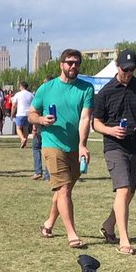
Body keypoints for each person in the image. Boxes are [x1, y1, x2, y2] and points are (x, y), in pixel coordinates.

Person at [92, 48, 136, 255]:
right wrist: (110, 130)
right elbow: (96, 123)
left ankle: (109, 225)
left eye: (132, 69)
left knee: (129, 192)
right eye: (125, 69)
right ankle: (125, 240)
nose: (128, 73)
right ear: (117, 67)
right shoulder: (106, 92)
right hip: (114, 146)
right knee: (123, 188)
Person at [29, 48, 93, 248]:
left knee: (63, 190)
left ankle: (48, 224)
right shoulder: (46, 89)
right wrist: (41, 120)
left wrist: (82, 145)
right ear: (61, 65)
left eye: (76, 63)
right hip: (52, 144)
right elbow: (32, 113)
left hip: (74, 147)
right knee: (64, 189)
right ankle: (72, 234)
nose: (73, 66)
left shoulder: (86, 89)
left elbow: (85, 118)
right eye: (69, 62)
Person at [11, 80, 34, 149]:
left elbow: (14, 105)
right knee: (26, 128)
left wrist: (12, 114)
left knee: (18, 128)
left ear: (22, 86)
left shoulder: (18, 94)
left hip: (20, 113)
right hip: (28, 113)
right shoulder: (31, 94)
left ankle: (22, 138)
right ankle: (25, 142)